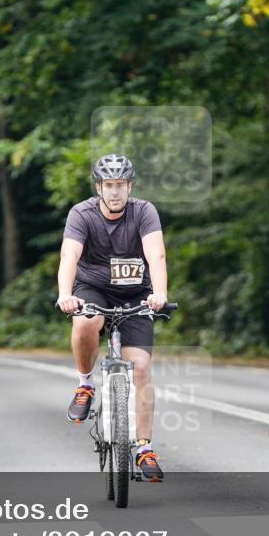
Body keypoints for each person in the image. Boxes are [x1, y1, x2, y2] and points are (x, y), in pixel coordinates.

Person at [56, 154, 169, 482]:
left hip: (137, 295)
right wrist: (66, 294)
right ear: (98, 187)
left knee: (142, 367)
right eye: (109, 186)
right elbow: (69, 255)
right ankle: (85, 383)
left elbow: (156, 254)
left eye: (121, 185)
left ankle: (144, 447)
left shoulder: (144, 212)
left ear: (130, 186)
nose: (115, 192)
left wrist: (159, 293)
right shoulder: (82, 214)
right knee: (86, 322)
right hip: (93, 289)